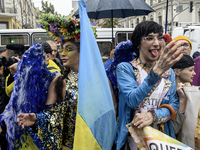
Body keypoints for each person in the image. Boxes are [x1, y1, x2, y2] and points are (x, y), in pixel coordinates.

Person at [16, 14, 96, 149]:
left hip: (95, 144)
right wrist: (37, 119)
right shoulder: (59, 81)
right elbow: (51, 115)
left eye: (69, 49)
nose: (62, 53)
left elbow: (112, 112)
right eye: (61, 49)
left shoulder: (99, 79)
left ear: (83, 51)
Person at [115, 21, 184, 150]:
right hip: (133, 142)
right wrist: (156, 73)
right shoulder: (125, 68)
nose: (156, 43)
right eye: (149, 38)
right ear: (138, 43)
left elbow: (173, 105)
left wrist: (153, 116)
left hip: (161, 140)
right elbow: (133, 101)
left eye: (159, 38)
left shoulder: (169, 73)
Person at [171, 54, 196, 136]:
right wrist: (182, 100)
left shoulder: (190, 90)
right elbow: (173, 129)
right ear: (177, 71)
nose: (194, 73)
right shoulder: (168, 94)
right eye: (190, 70)